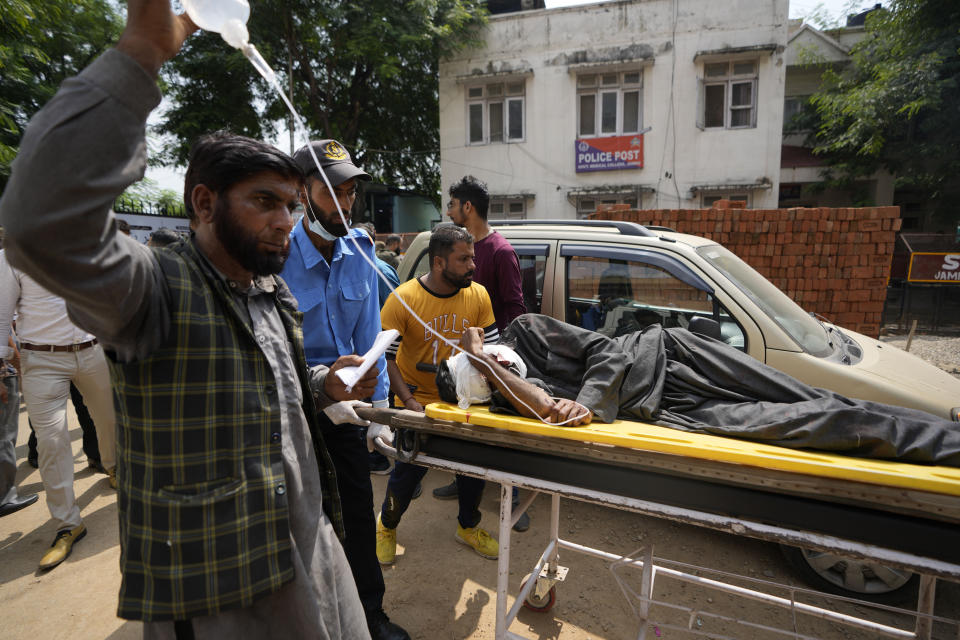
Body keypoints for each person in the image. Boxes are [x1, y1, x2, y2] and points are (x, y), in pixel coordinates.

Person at [0, 2, 376, 636]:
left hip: (311, 554)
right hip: (218, 592)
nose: (286, 219)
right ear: (204, 202)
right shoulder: (152, 291)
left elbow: (265, 401)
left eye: (289, 202)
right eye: (264, 202)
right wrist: (139, 55)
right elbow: (42, 219)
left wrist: (321, 385)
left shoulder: (271, 292)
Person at [443, 314, 960, 466]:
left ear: (490, 345)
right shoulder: (505, 388)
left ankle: (941, 431)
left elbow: (609, 352)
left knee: (809, 398)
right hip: (667, 409)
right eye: (490, 380)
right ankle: (946, 445)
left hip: (674, 355)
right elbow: (548, 412)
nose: (503, 374)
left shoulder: (528, 329)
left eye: (493, 364)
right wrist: (493, 375)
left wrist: (482, 354)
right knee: (810, 424)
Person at [280, 140, 409, 640]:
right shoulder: (277, 256)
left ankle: (370, 615)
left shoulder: (361, 250)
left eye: (350, 191)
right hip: (294, 416)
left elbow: (368, 338)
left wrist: (376, 412)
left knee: (357, 510)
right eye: (332, 191)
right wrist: (321, 385)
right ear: (302, 192)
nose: (345, 204)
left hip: (349, 416)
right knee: (303, 523)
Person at [375, 225, 501, 565]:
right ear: (439, 262)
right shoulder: (403, 299)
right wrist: (411, 404)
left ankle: (467, 526)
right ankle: (386, 525)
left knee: (472, 472)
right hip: (417, 401)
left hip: (464, 403)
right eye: (464, 259)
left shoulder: (478, 296)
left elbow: (493, 353)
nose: (472, 265)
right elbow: (386, 359)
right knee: (407, 474)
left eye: (472, 257)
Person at [0, 250, 118, 570]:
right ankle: (68, 524)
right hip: (41, 360)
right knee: (52, 441)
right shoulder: (12, 257)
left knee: (109, 419)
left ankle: (114, 467)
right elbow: (1, 314)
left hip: (93, 351)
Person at [435, 175, 530, 531]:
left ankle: (514, 496)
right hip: (463, 359)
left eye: (452, 204)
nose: (449, 211)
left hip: (495, 358)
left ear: (468, 207)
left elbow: (517, 309)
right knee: (465, 426)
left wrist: (501, 358)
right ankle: (462, 484)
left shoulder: (501, 252)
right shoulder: (454, 249)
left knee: (507, 432)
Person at [0, 331, 38, 517]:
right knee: (4, 437)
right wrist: (21, 368)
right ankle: (5, 498)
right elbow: (5, 339)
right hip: (3, 375)